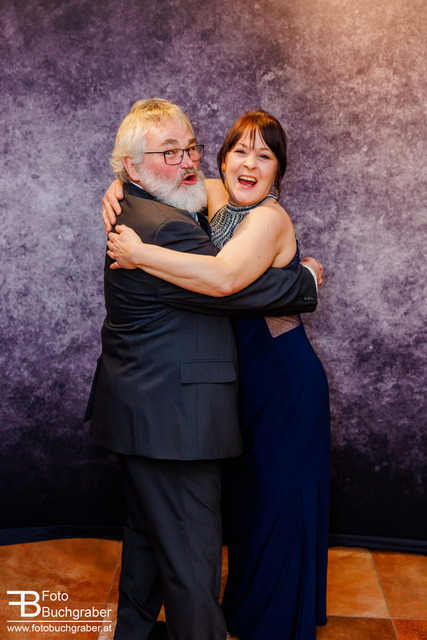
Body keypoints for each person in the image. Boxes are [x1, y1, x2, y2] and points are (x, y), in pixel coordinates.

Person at [86, 99, 322, 640]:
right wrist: (304, 281)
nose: (186, 160)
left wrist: (130, 195)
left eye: (190, 147)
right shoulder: (178, 214)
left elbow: (225, 279)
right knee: (190, 557)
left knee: (253, 513)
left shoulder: (185, 205)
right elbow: (224, 284)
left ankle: (265, 616)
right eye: (170, 152)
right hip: (177, 412)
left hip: (270, 382)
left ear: (280, 169)